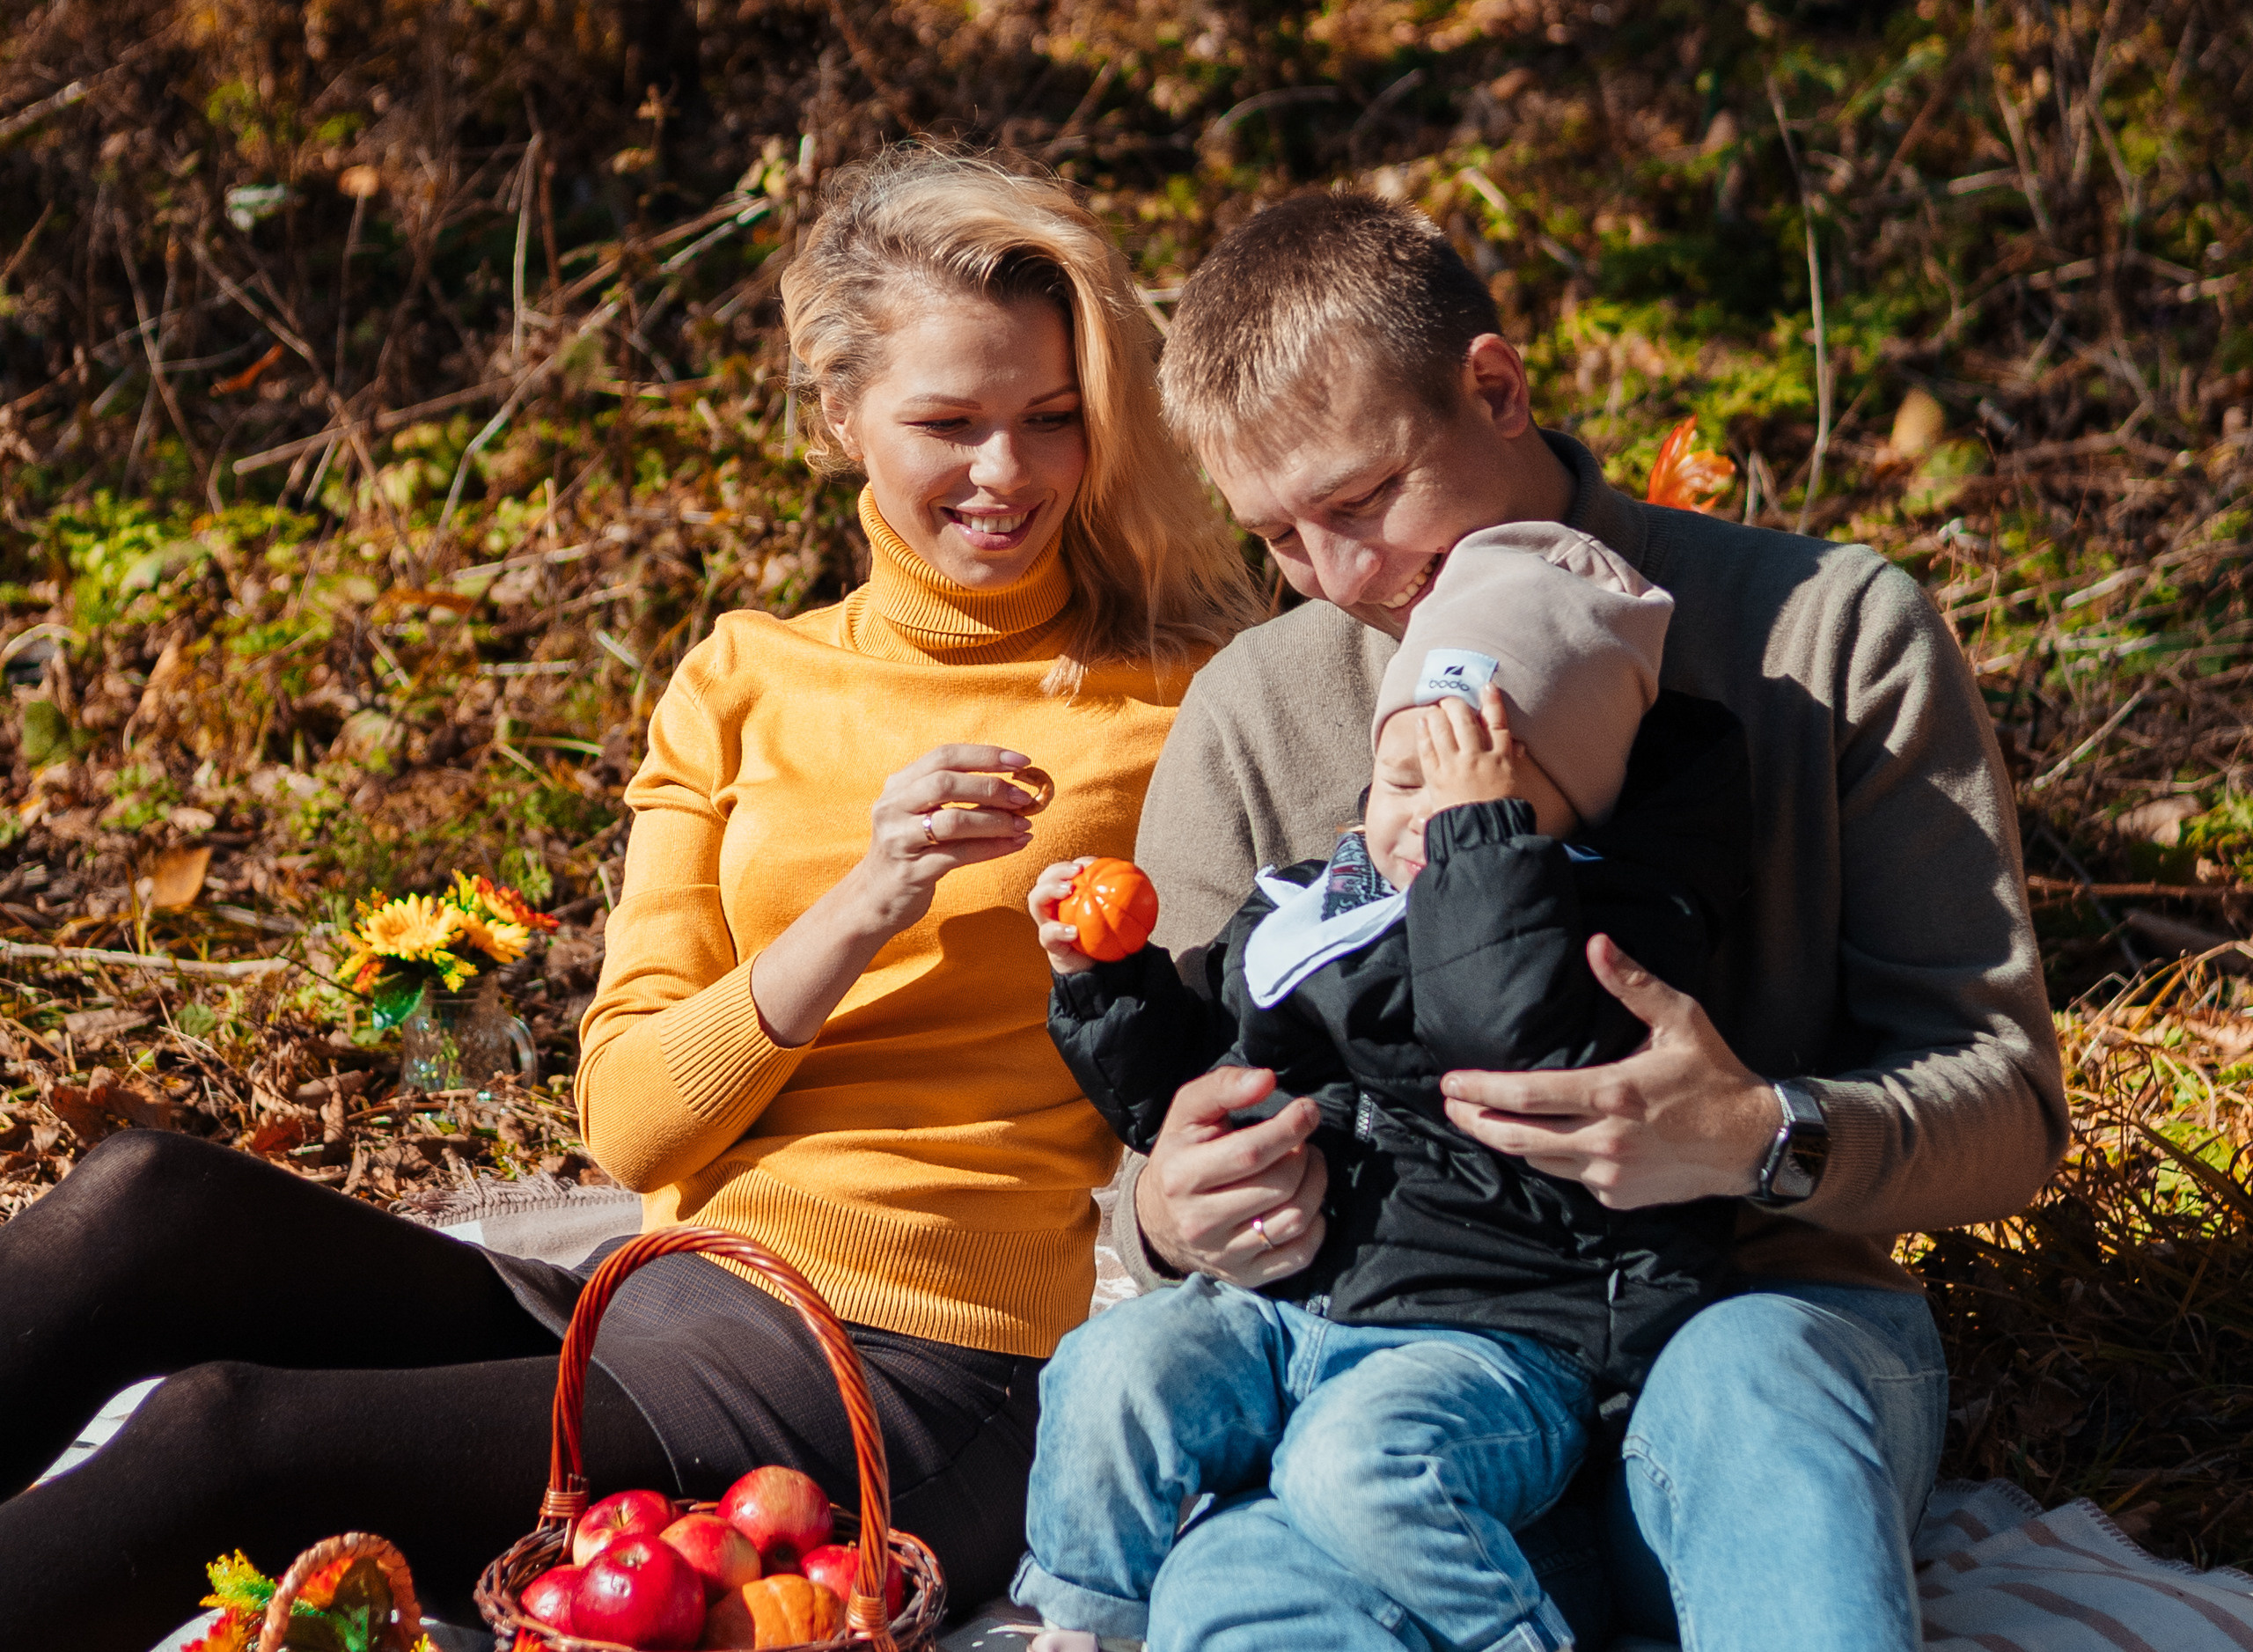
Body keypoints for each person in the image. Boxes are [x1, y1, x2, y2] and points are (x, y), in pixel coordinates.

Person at [0, 149, 1259, 1650]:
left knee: (225, 1443)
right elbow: (634, 1120)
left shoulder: (1181, 696)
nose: (1010, 474)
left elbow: (1245, 1031)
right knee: (147, 1200)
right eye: (951, 422)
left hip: (909, 1378)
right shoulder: (744, 678)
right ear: (837, 412)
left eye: (1055, 419)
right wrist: (868, 896)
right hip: (663, 1298)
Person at [1113, 192, 2067, 1650]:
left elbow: (2008, 1102)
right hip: (1397, 1380)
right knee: (1233, 1585)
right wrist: (1180, 1215)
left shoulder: (1827, 632)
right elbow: (1144, 1170)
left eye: (1365, 502)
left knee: (1753, 1387)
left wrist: (1762, 1129)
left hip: (1767, 1322)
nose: (1346, 579)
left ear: (1497, 388)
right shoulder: (1256, 712)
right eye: (1283, 541)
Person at [1011, 526, 1751, 1652]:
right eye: (1399, 777)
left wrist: (1480, 846)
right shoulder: (1320, 903)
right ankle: (1085, 1622)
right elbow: (1188, 1090)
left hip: (1502, 1346)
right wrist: (1101, 977)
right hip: (1291, 1311)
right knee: (1110, 1363)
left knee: (1351, 1461)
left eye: (1469, 785)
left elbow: (1496, 1031)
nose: (1418, 813)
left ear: (1560, 811)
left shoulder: (1617, 926)